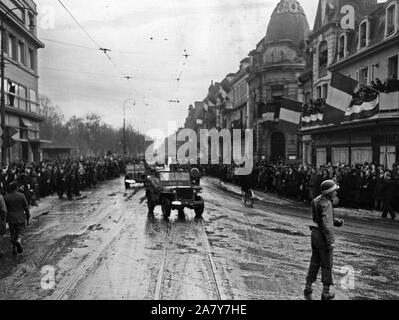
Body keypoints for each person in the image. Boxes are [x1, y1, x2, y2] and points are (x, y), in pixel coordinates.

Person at [304, 180, 344, 300]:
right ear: (330, 192)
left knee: (314, 262)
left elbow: (318, 219)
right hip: (323, 237)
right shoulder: (327, 204)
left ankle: (308, 286)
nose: (336, 192)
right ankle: (325, 292)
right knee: (327, 264)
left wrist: (335, 221)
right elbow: (326, 225)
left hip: (315, 234)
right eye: (334, 190)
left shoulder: (316, 200)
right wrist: (329, 240)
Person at [4, 182, 30, 256]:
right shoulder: (21, 195)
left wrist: (5, 219)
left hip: (11, 218)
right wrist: (28, 215)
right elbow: (26, 207)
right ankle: (19, 241)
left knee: (13, 234)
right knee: (21, 232)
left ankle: (14, 249)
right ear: (16, 187)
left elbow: (5, 209)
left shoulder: (6, 197)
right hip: (20, 217)